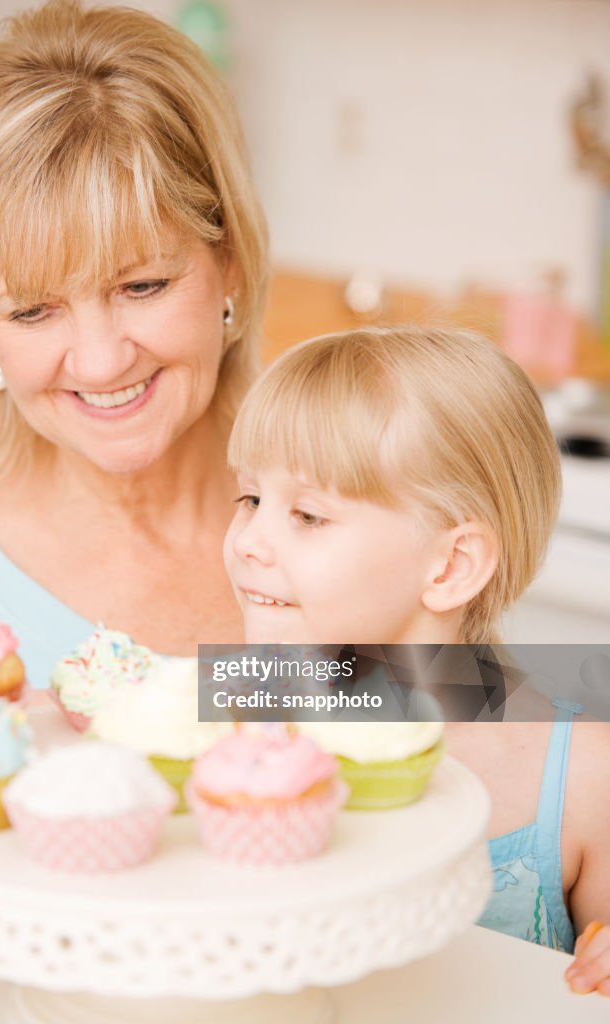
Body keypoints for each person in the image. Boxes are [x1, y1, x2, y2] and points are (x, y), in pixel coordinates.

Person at [222, 326, 610, 995]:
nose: (249, 540)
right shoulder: (233, 713)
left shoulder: (582, 773)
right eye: (251, 498)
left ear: (451, 565)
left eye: (307, 516)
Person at [0, 0, 268, 684]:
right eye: (34, 309)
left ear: (230, 259)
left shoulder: (362, 525)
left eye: (143, 286)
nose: (101, 362)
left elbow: (513, 743)